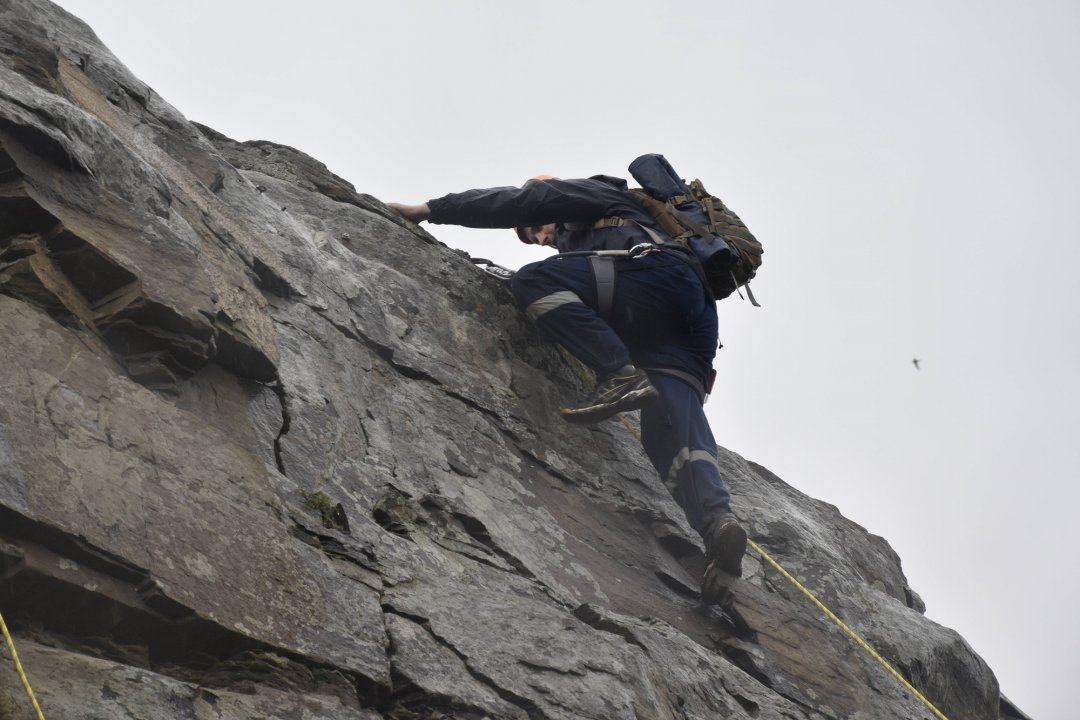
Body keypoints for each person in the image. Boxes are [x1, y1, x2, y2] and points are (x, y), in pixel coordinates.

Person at [389, 172, 747, 602]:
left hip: (652, 275)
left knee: (534, 280)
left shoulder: (591, 195)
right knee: (669, 425)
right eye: (529, 236)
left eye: (535, 226)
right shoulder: (601, 238)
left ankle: (618, 375)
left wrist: (431, 210)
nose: (539, 236)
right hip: (689, 321)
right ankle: (718, 528)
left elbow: (528, 200)